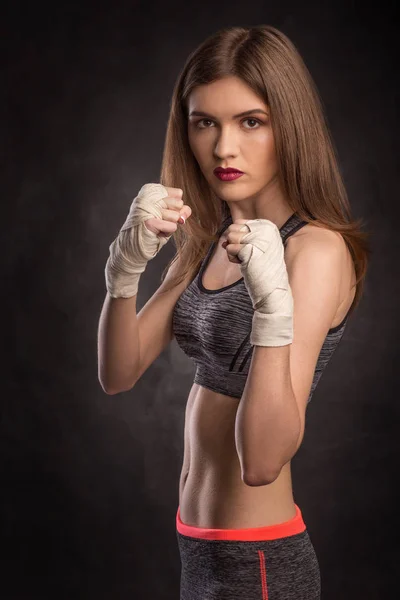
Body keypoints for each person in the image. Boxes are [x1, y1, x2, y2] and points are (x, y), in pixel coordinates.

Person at [98, 24, 370, 600]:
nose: (224, 148)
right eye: (205, 122)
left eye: (252, 121)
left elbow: (263, 461)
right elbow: (118, 373)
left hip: (258, 561)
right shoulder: (209, 237)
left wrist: (272, 306)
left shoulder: (314, 251)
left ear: (288, 125)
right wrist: (123, 271)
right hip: (199, 549)